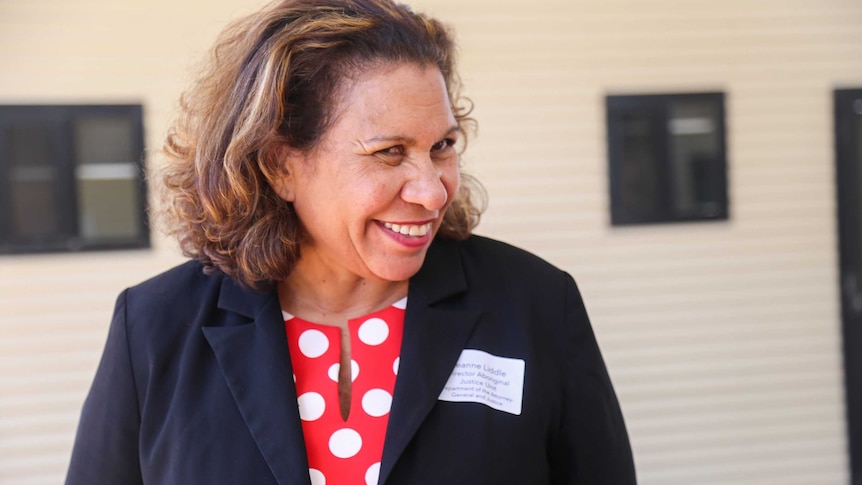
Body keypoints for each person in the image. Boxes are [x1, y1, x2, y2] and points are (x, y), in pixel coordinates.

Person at [66, 0, 636, 483]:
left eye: (442, 146)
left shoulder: (534, 304)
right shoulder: (153, 328)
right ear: (280, 165)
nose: (432, 192)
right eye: (389, 152)